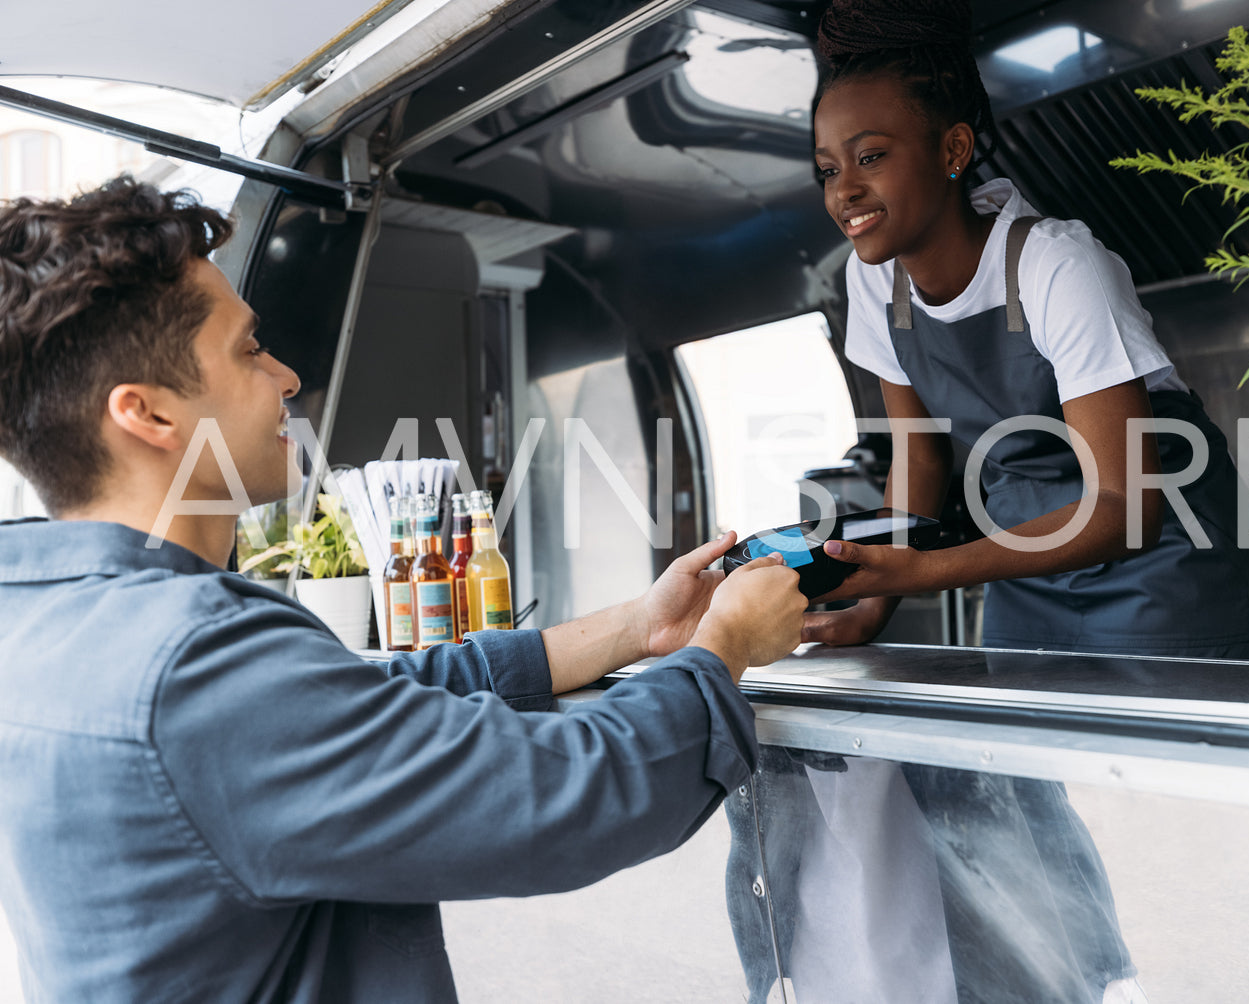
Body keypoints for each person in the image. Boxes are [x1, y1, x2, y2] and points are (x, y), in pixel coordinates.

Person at [0, 178, 807, 1003]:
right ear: (149, 414)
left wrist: (639, 628)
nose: (285, 375)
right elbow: (565, 795)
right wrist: (727, 646)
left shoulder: (44, 620)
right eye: (248, 350)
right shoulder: (186, 663)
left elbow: (358, 700)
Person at [729, 2, 1249, 1002]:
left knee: (1183, 823)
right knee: (1018, 795)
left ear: (950, 147)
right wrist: (874, 597)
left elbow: (1123, 503)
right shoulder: (874, 282)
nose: (843, 187)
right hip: (1031, 551)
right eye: (824, 167)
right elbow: (918, 465)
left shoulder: (1054, 262)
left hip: (1167, 561)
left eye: (871, 154)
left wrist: (929, 568)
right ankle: (1070, 986)